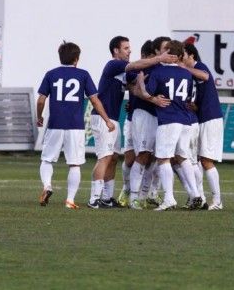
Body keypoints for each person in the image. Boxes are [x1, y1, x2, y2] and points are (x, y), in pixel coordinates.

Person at [88, 36, 174, 209]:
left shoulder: (124, 74)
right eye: (126, 48)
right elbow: (135, 66)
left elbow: (136, 88)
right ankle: (93, 198)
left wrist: (152, 98)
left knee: (113, 158)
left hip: (113, 118)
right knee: (104, 157)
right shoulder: (113, 64)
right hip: (102, 117)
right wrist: (158, 58)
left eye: (129, 48)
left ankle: (106, 197)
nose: (129, 51)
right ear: (116, 51)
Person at [37, 42, 114, 209]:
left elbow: (41, 99)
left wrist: (39, 117)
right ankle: (70, 200)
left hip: (55, 124)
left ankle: (47, 186)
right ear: (76, 59)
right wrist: (107, 120)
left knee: (47, 159)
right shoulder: (83, 75)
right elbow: (94, 100)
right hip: (75, 125)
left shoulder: (51, 74)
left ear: (60, 57)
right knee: (75, 163)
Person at [134, 40, 203, 210]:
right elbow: (187, 97)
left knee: (163, 158)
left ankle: (169, 198)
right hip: (185, 120)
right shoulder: (186, 74)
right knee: (182, 156)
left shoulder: (159, 72)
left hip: (169, 119)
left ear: (169, 54)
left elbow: (147, 93)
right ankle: (196, 194)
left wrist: (141, 82)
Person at [183, 43, 224, 210]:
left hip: (211, 119)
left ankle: (218, 201)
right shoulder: (191, 77)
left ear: (192, 56)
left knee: (206, 160)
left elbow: (205, 76)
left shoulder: (200, 67)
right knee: (198, 160)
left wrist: (183, 68)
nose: (181, 59)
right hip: (203, 118)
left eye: (183, 56)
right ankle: (200, 197)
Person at [117, 39, 156, 207]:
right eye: (153, 56)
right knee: (130, 159)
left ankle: (144, 194)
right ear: (145, 56)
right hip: (133, 119)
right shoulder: (135, 69)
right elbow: (126, 85)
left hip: (151, 119)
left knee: (151, 158)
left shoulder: (155, 71)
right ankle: (127, 189)